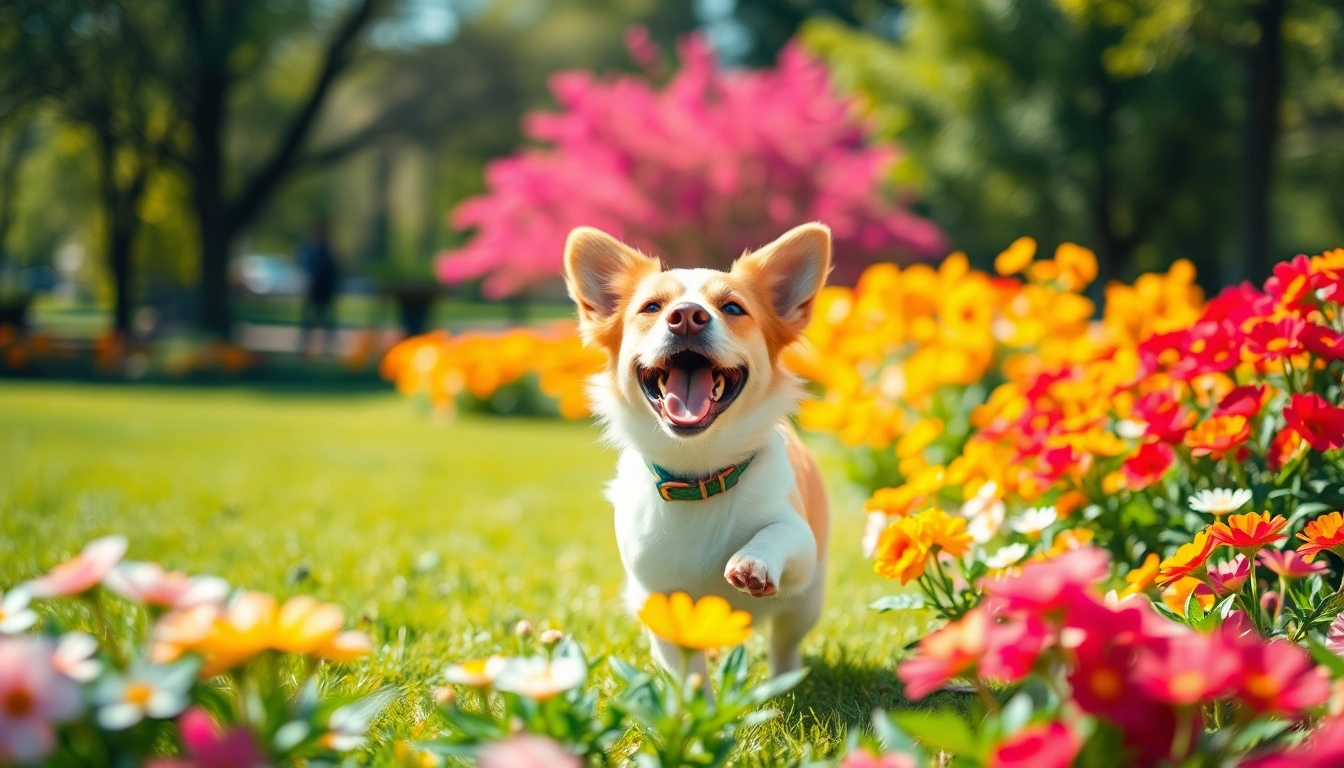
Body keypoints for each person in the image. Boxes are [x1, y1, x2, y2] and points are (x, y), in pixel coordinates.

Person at [297, 221, 341, 357]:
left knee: (327, 319)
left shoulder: (328, 250)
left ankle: (329, 347)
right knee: (309, 319)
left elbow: (335, 269)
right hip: (313, 289)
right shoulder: (309, 250)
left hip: (325, 289)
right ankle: (304, 346)